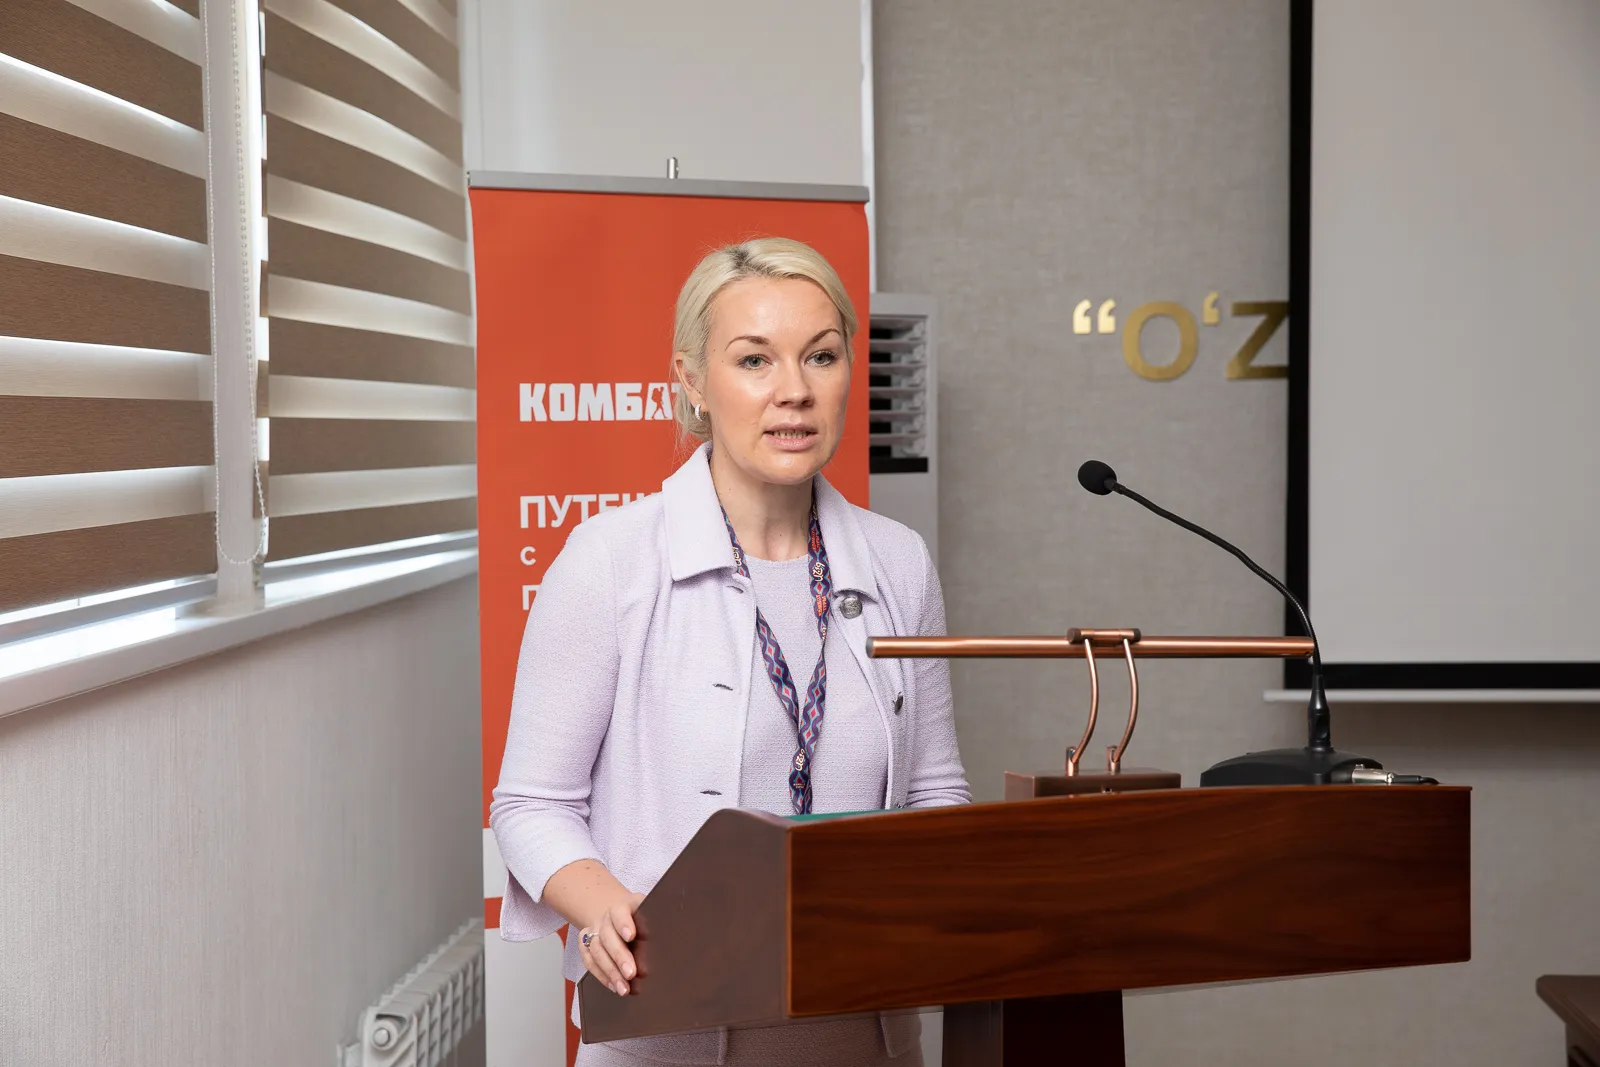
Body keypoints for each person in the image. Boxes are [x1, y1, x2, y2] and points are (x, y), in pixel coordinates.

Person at [490, 237, 971, 1066]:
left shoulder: (897, 561)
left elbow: (934, 788)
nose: (794, 391)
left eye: (821, 356)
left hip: (862, 1032)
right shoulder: (610, 560)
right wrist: (606, 905)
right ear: (690, 380)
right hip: (664, 1027)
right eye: (755, 360)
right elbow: (530, 804)